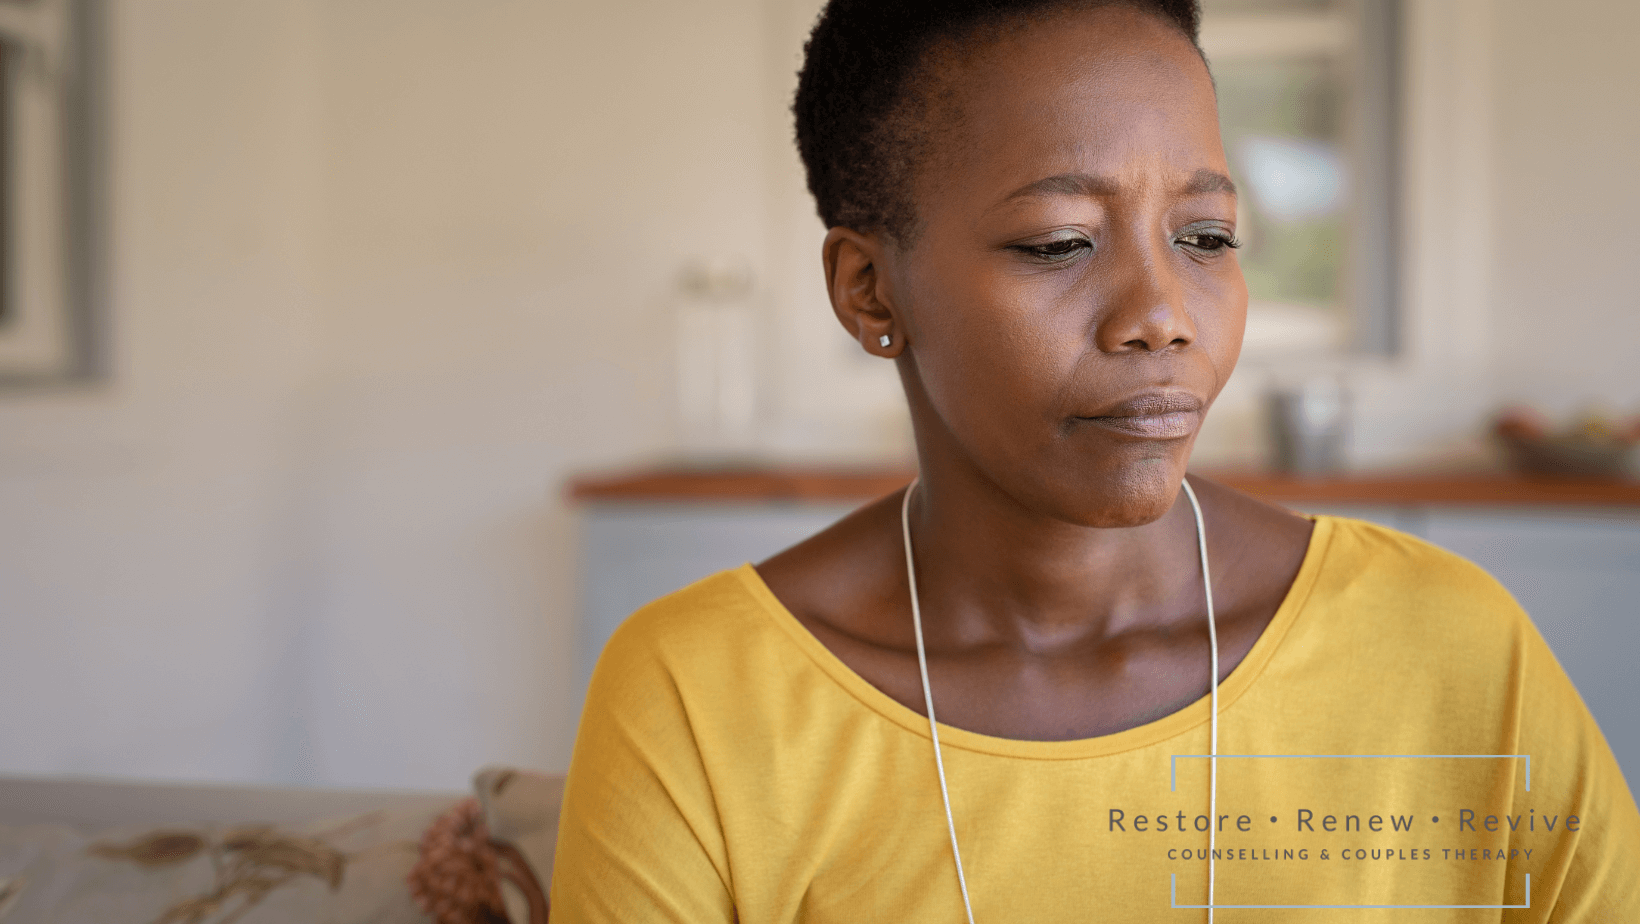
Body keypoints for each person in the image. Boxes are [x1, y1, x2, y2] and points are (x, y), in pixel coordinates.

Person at [549, 1, 1640, 920]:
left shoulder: (1448, 646)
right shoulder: (697, 697)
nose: (1161, 316)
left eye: (1204, 237)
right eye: (1058, 243)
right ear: (868, 290)